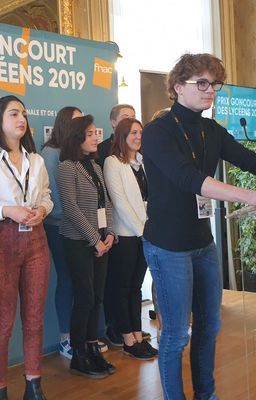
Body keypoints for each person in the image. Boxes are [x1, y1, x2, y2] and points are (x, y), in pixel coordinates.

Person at [141, 53, 256, 400]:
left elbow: (254, 161)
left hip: (202, 243)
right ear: (177, 87)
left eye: (213, 83)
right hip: (168, 246)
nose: (210, 90)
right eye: (201, 83)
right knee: (175, 336)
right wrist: (249, 196)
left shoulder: (210, 130)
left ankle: (207, 395)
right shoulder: (157, 132)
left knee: (209, 326)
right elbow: (190, 179)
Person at [0, 95, 52, 400]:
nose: (21, 119)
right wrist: (8, 211)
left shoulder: (37, 159)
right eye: (13, 114)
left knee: (34, 317)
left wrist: (41, 211)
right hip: (2, 242)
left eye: (24, 114)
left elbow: (46, 196)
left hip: (36, 241)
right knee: (3, 321)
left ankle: (33, 385)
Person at [57, 115, 115, 379]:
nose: (96, 137)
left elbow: (106, 203)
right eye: (90, 133)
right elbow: (71, 208)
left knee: (98, 297)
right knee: (84, 298)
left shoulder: (96, 166)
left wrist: (110, 233)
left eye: (96, 132)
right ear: (77, 137)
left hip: (102, 241)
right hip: (79, 242)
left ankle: (93, 348)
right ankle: (79, 354)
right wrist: (95, 239)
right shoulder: (67, 167)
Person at [103, 118, 158, 360]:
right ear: (122, 135)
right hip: (126, 235)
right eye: (133, 133)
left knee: (136, 287)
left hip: (144, 234)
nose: (138, 137)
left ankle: (138, 333)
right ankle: (127, 337)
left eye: (140, 133)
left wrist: (148, 231)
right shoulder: (112, 162)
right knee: (122, 287)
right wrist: (142, 231)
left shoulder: (142, 162)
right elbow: (120, 202)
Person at [41, 106, 82, 360]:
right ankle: (65, 338)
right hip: (59, 227)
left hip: (81, 227)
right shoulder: (51, 152)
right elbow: (54, 196)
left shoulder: (77, 152)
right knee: (67, 279)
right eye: (77, 121)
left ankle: (80, 335)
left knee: (82, 282)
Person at [95, 104, 135, 169]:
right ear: (114, 123)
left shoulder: (139, 146)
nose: (130, 122)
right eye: (125, 118)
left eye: (133, 118)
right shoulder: (101, 149)